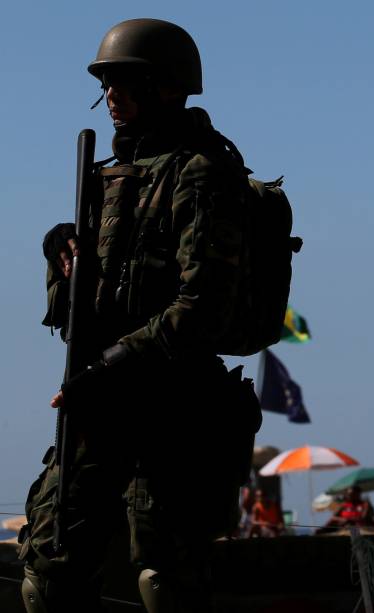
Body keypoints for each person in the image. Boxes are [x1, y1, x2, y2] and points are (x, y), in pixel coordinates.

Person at [19, 19, 262, 612]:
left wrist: (113, 364)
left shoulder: (202, 173)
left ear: (168, 87)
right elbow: (72, 311)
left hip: (173, 403)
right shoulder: (109, 177)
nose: (113, 95)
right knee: (48, 573)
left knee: (166, 582)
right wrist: (60, 252)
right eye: (106, 83)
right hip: (101, 402)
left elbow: (201, 308)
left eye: (127, 82)